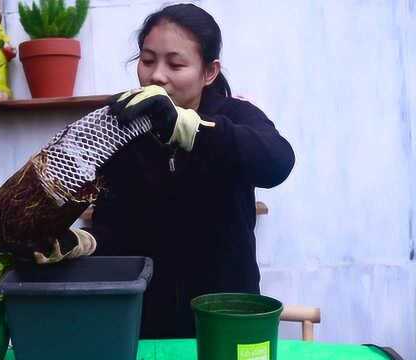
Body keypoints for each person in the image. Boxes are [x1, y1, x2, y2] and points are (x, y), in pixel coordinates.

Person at [88, 3, 296, 339]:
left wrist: (191, 129)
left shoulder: (235, 116)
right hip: (144, 321)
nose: (156, 75)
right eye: (147, 60)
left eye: (176, 63)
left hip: (225, 314)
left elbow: (277, 161)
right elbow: (114, 227)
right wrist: (85, 243)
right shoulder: (122, 124)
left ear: (209, 72)